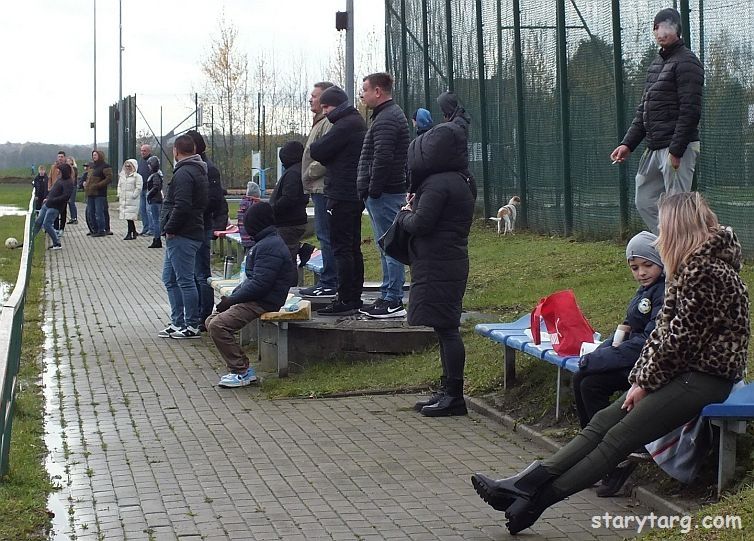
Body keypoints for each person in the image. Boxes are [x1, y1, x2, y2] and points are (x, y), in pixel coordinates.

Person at [471, 192, 749, 535]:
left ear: (678, 228)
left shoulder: (706, 272)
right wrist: (638, 382)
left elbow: (680, 343)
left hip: (705, 377)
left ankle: (535, 500)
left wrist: (645, 383)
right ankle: (525, 484)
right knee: (605, 420)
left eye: (662, 228)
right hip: (682, 372)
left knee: (619, 437)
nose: (659, 236)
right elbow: (662, 334)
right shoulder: (691, 266)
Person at [396, 105, 476, 417]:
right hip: (449, 259)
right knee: (445, 328)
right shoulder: (462, 178)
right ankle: (447, 390)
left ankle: (453, 395)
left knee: (447, 329)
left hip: (439, 262)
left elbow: (421, 224)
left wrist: (404, 215)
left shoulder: (437, 183)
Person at [573, 231, 665, 497]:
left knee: (591, 384)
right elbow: (626, 328)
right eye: (635, 268)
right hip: (634, 357)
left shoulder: (666, 290)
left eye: (648, 265)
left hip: (651, 365)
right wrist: (598, 354)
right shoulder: (646, 290)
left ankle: (616, 457)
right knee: (583, 378)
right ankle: (592, 452)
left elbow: (647, 342)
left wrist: (599, 359)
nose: (641, 273)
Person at [610, 8, 703, 233]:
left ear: (677, 30)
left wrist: (677, 150)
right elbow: (645, 110)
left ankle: (683, 257)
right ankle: (670, 246)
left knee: (677, 209)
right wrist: (627, 144)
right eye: (657, 27)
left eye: (666, 26)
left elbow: (690, 110)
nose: (660, 32)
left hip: (676, 148)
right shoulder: (655, 66)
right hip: (653, 148)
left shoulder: (687, 62)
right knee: (644, 200)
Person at [207, 202, 294, 388]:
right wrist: (232, 298)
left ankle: (242, 371)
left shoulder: (269, 246)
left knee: (218, 325)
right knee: (211, 321)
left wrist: (232, 300)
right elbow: (252, 281)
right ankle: (237, 365)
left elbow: (260, 285)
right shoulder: (264, 243)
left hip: (264, 301)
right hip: (256, 298)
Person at [309, 85, 367, 316]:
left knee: (343, 247)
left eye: (326, 106)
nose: (324, 111)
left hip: (342, 194)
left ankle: (346, 298)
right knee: (352, 247)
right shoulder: (354, 122)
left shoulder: (345, 125)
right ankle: (352, 295)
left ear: (337, 104)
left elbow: (319, 150)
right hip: (350, 192)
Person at [357, 72, 410, 318]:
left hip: (386, 192)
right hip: (383, 191)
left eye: (365, 90)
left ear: (378, 91)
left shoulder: (388, 118)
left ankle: (394, 300)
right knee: (384, 245)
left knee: (391, 246)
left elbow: (383, 157)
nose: (362, 94)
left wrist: (373, 188)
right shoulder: (384, 116)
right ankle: (388, 294)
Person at [158, 134, 208, 340]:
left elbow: (183, 205)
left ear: (176, 151)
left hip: (183, 233)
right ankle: (177, 321)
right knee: (169, 278)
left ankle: (192, 324)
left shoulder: (185, 173)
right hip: (186, 231)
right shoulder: (196, 170)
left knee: (185, 281)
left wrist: (170, 227)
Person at [300, 81, 338, 298]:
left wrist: (309, 173)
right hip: (317, 187)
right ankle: (329, 278)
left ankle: (330, 280)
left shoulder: (328, 123)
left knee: (327, 235)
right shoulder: (319, 122)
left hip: (323, 187)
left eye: (314, 96)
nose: (311, 99)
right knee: (324, 235)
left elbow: (327, 155)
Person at [187, 129, 228, 330]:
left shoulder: (208, 169)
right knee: (194, 273)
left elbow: (214, 199)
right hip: (193, 225)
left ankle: (204, 314)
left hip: (202, 225)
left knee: (202, 273)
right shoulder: (192, 167)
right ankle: (194, 314)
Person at [270, 140, 311, 285]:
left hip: (288, 222)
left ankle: (289, 286)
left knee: (287, 259)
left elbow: (289, 198)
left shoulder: (293, 173)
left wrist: (272, 209)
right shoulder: (297, 170)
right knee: (288, 254)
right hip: (292, 221)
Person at [34, 163, 74, 250]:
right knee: (38, 222)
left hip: (55, 207)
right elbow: (53, 190)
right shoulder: (60, 179)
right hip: (47, 204)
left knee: (47, 224)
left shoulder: (69, 183)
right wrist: (48, 198)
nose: (58, 172)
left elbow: (66, 196)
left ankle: (57, 243)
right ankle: (30, 240)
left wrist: (53, 200)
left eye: (60, 170)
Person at [84, 150, 113, 237]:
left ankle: (101, 230)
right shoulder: (92, 166)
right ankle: (94, 230)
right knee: (91, 212)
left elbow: (109, 178)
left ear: (100, 155)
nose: (94, 156)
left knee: (99, 212)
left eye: (96, 155)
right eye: (93, 155)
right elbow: (88, 178)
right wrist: (86, 184)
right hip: (90, 193)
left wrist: (98, 185)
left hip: (99, 193)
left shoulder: (105, 166)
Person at [117, 159, 142, 240]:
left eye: (129, 166)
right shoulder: (122, 176)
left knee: (130, 217)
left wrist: (133, 195)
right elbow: (119, 186)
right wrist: (120, 193)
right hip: (124, 199)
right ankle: (133, 232)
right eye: (126, 166)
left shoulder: (137, 176)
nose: (127, 167)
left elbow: (138, 188)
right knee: (128, 217)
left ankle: (130, 233)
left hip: (132, 200)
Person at [145, 156, 163, 248]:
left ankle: (157, 239)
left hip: (155, 200)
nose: (148, 166)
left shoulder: (155, 175)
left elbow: (156, 186)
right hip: (155, 199)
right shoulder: (155, 175)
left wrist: (149, 194)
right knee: (156, 220)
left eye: (149, 165)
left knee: (156, 220)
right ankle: (157, 239)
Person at [137, 144, 154, 236]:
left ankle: (152, 229)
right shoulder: (140, 161)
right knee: (142, 209)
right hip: (141, 189)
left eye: (144, 151)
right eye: (141, 150)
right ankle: (145, 228)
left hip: (149, 189)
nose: (142, 152)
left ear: (149, 151)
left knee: (149, 209)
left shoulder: (152, 161)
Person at [65, 156, 79, 224]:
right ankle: (72, 217)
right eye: (67, 161)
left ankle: (75, 217)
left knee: (72, 202)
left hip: (73, 186)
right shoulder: (67, 168)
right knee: (69, 202)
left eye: (69, 160)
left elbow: (73, 177)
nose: (68, 162)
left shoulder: (74, 169)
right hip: (68, 186)